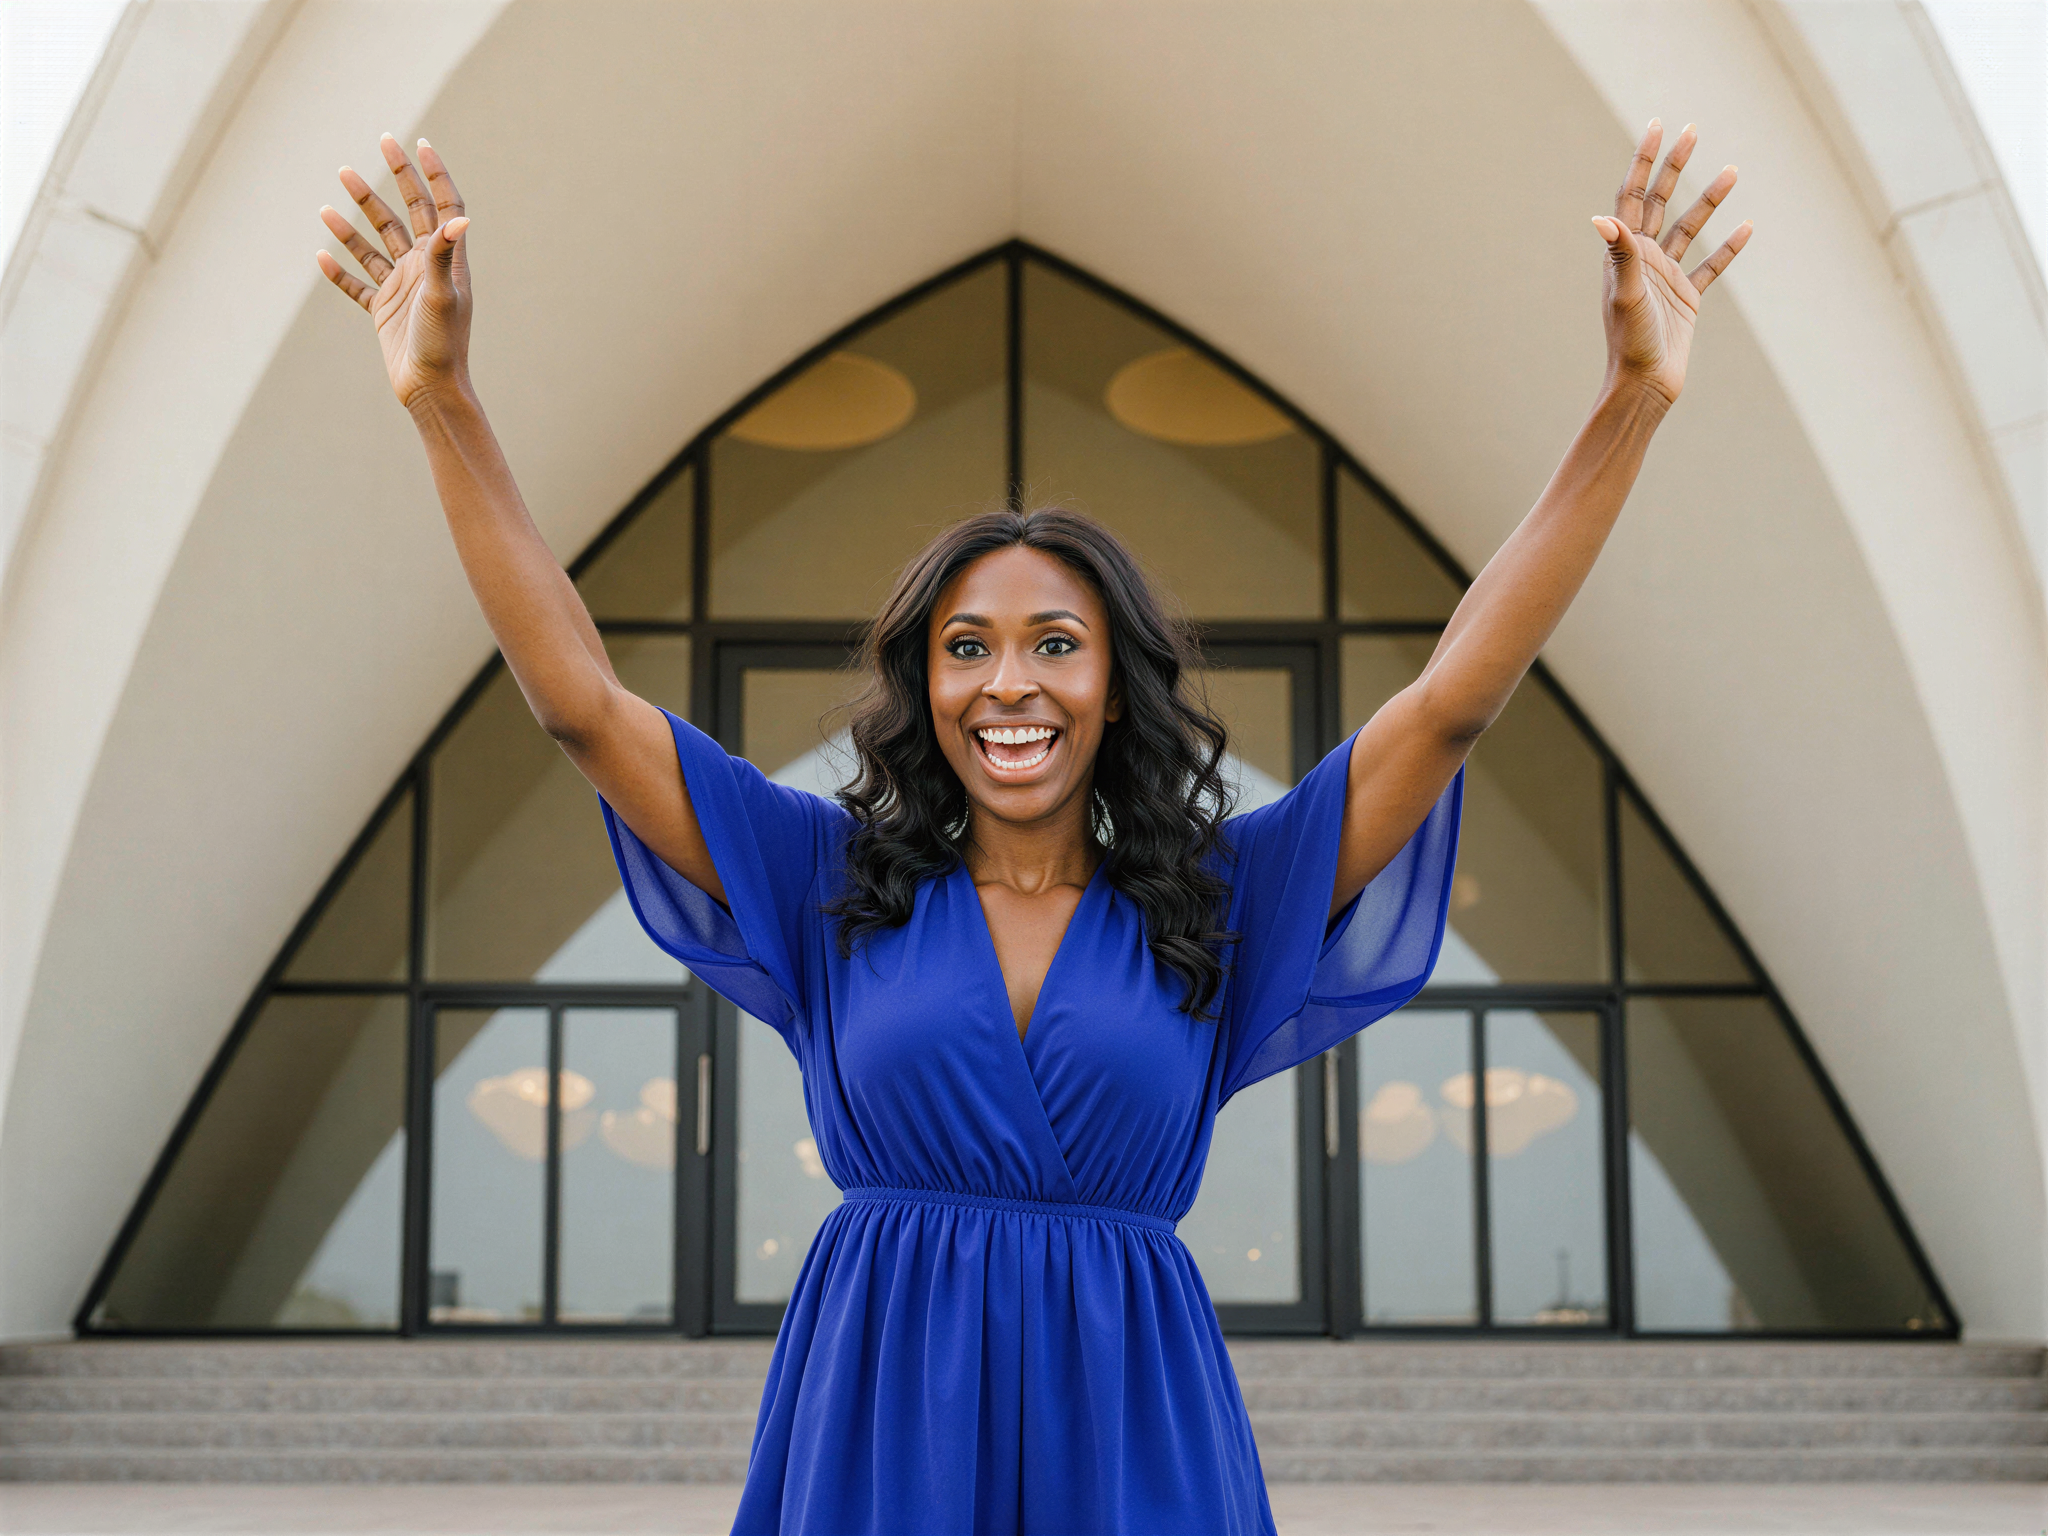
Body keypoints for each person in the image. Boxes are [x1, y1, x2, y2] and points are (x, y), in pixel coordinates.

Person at [316, 120, 1748, 1535]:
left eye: (1055, 643)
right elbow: (580, 706)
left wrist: (1630, 399)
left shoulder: (1217, 905)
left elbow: (1446, 708)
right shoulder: (827, 883)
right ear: (924, 686)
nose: (1011, 682)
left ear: (1114, 688)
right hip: (878, 1421)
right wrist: (444, 399)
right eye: (966, 647)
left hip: (1134, 1429)